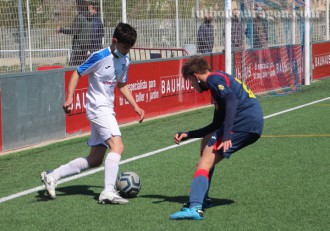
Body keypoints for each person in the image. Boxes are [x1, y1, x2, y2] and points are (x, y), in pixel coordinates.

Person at [41, 22, 145, 205]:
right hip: (98, 108)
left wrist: (135, 105)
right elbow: (77, 73)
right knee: (118, 146)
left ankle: (52, 176)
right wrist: (69, 98)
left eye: (130, 48)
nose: (127, 51)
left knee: (95, 159)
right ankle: (108, 191)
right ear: (115, 41)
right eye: (124, 47)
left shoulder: (125, 60)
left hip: (106, 109)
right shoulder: (100, 56)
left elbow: (122, 84)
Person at [169, 56, 264, 220]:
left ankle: (196, 208)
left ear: (195, 76)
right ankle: (202, 198)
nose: (191, 85)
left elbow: (232, 101)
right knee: (206, 140)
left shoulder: (213, 79)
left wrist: (227, 135)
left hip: (244, 122)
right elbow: (215, 125)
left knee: (204, 162)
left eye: (190, 81)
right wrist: (188, 134)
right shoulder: (217, 84)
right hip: (250, 122)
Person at [56, 0, 94, 66]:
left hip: (78, 49)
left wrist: (61, 29)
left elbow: (73, 31)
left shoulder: (79, 17)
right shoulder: (91, 18)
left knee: (71, 70)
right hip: (86, 49)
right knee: (83, 70)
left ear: (79, 6)